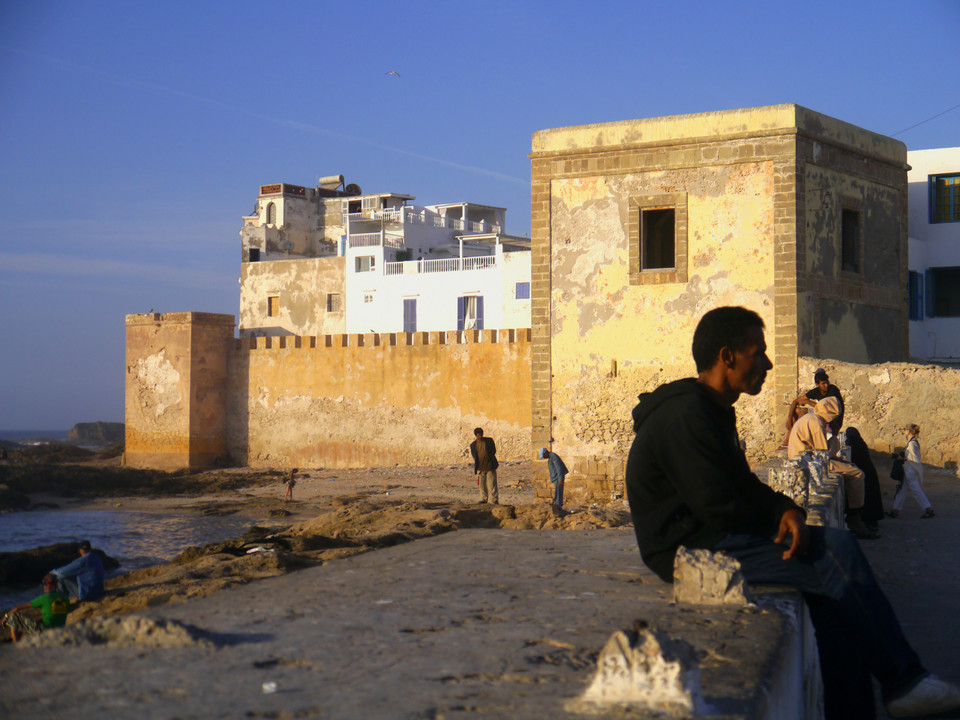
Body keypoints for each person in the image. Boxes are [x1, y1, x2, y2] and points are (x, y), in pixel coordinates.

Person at [625, 306, 960, 719]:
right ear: (727, 356)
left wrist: (784, 508)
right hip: (687, 546)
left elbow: (740, 482)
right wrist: (776, 523)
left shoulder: (711, 408)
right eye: (758, 353)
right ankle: (903, 680)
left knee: (835, 611)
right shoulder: (687, 414)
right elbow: (715, 503)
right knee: (836, 551)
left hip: (710, 530)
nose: (767, 363)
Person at [787, 397, 876, 539]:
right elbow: (823, 454)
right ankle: (855, 518)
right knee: (857, 474)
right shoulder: (816, 423)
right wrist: (835, 441)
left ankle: (853, 514)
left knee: (848, 468)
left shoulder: (811, 418)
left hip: (809, 459)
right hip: (810, 462)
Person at [781, 368, 845, 447]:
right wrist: (789, 418)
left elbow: (826, 409)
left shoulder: (833, 390)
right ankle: (789, 440)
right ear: (817, 385)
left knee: (804, 415)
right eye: (823, 384)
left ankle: (793, 441)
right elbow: (795, 402)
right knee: (798, 411)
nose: (826, 385)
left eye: (827, 383)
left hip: (833, 419)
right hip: (822, 415)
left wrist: (808, 402)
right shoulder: (816, 391)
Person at [1, 574, 70, 643]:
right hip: (60, 630)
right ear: (56, 585)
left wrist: (6, 617)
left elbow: (17, 608)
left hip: (45, 631)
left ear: (45, 586)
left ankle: (15, 644)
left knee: (14, 616)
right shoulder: (65, 598)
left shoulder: (45, 598)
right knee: (42, 619)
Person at [889, 424, 934, 520]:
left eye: (905, 429)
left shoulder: (912, 444)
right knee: (902, 489)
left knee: (915, 489)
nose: (903, 431)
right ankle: (895, 510)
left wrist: (900, 458)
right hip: (908, 469)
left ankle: (928, 509)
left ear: (909, 431)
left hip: (910, 470)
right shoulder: (912, 442)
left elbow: (913, 458)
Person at [845, 427, 883, 533]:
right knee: (872, 498)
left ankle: (868, 521)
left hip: (862, 474)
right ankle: (872, 520)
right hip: (869, 473)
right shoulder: (861, 443)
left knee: (866, 498)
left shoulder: (853, 444)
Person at [469, 428, 499, 504]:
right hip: (480, 468)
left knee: (492, 485)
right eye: (478, 435)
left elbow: (493, 451)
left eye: (480, 435)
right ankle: (484, 499)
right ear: (476, 435)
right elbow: (474, 456)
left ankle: (494, 500)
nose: (479, 436)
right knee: (482, 486)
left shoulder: (489, 441)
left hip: (490, 467)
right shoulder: (473, 445)